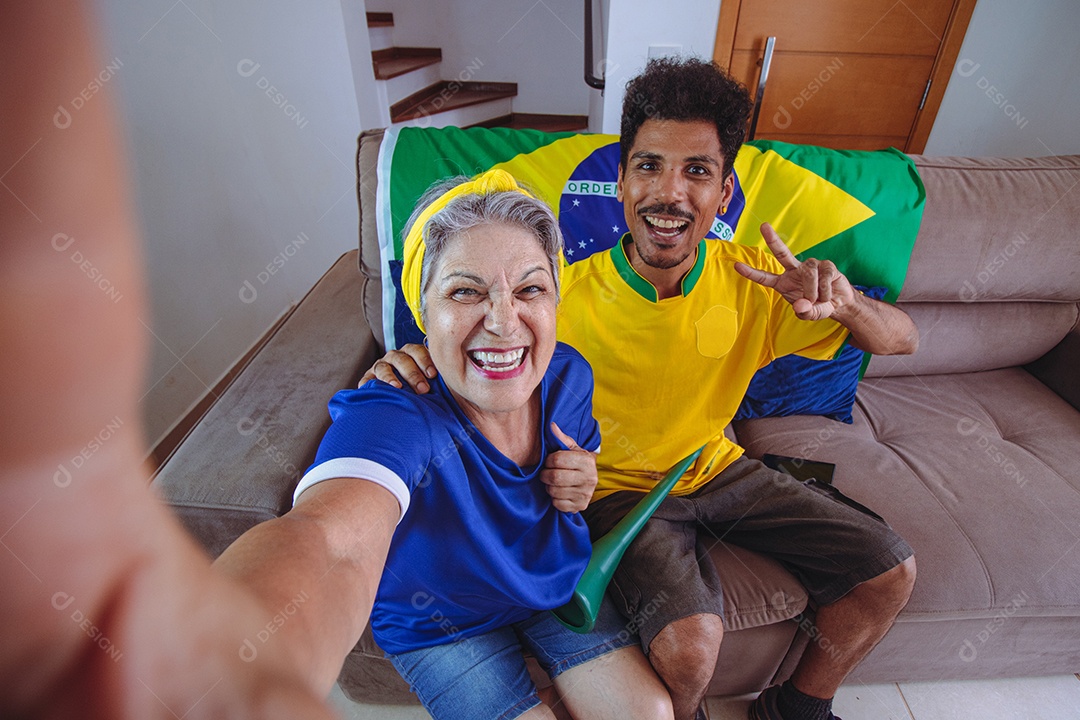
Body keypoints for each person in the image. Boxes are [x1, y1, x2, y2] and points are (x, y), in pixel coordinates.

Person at [362, 57, 919, 720]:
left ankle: (797, 709)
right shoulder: (561, 295)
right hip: (616, 493)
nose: (669, 193)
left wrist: (846, 304)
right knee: (692, 647)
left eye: (697, 171)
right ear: (622, 181)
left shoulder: (759, 280)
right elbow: (475, 341)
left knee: (890, 570)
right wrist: (411, 360)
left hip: (714, 466)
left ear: (725, 192)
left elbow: (900, 340)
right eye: (649, 166)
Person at [220, 169, 675, 720]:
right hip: (439, 623)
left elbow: (579, 462)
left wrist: (582, 480)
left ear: (556, 299)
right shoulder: (396, 411)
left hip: (548, 584)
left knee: (648, 711)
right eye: (465, 291)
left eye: (530, 289)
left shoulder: (568, 374)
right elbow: (329, 541)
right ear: (423, 310)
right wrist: (239, 671)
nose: (504, 322)